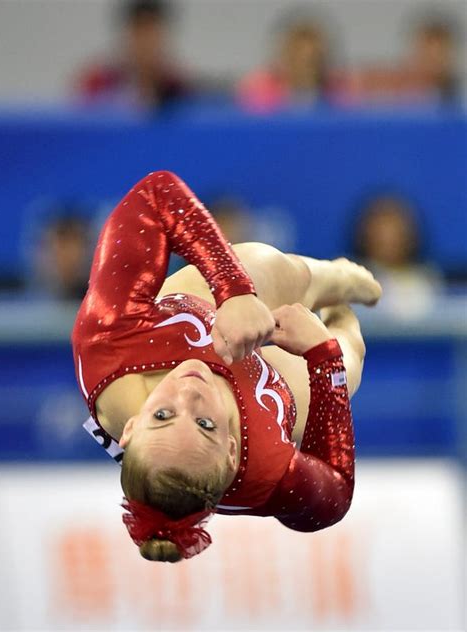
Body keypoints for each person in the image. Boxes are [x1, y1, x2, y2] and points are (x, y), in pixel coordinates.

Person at [71, 171, 381, 562]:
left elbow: (155, 193)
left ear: (131, 427)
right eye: (205, 424)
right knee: (350, 360)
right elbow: (334, 495)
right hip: (268, 396)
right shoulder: (267, 469)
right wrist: (324, 356)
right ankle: (343, 314)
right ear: (232, 452)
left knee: (281, 271)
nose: (191, 391)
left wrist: (232, 291)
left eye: (163, 414)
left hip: (195, 316)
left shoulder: (107, 344)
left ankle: (340, 279)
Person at [75, 0, 189, 111]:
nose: (146, 42)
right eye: (139, 31)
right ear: (127, 35)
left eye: (152, 33)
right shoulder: (98, 84)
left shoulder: (179, 87)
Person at [351, 191, 443, 317]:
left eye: (394, 231)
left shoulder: (427, 281)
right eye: (380, 231)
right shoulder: (349, 279)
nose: (387, 239)